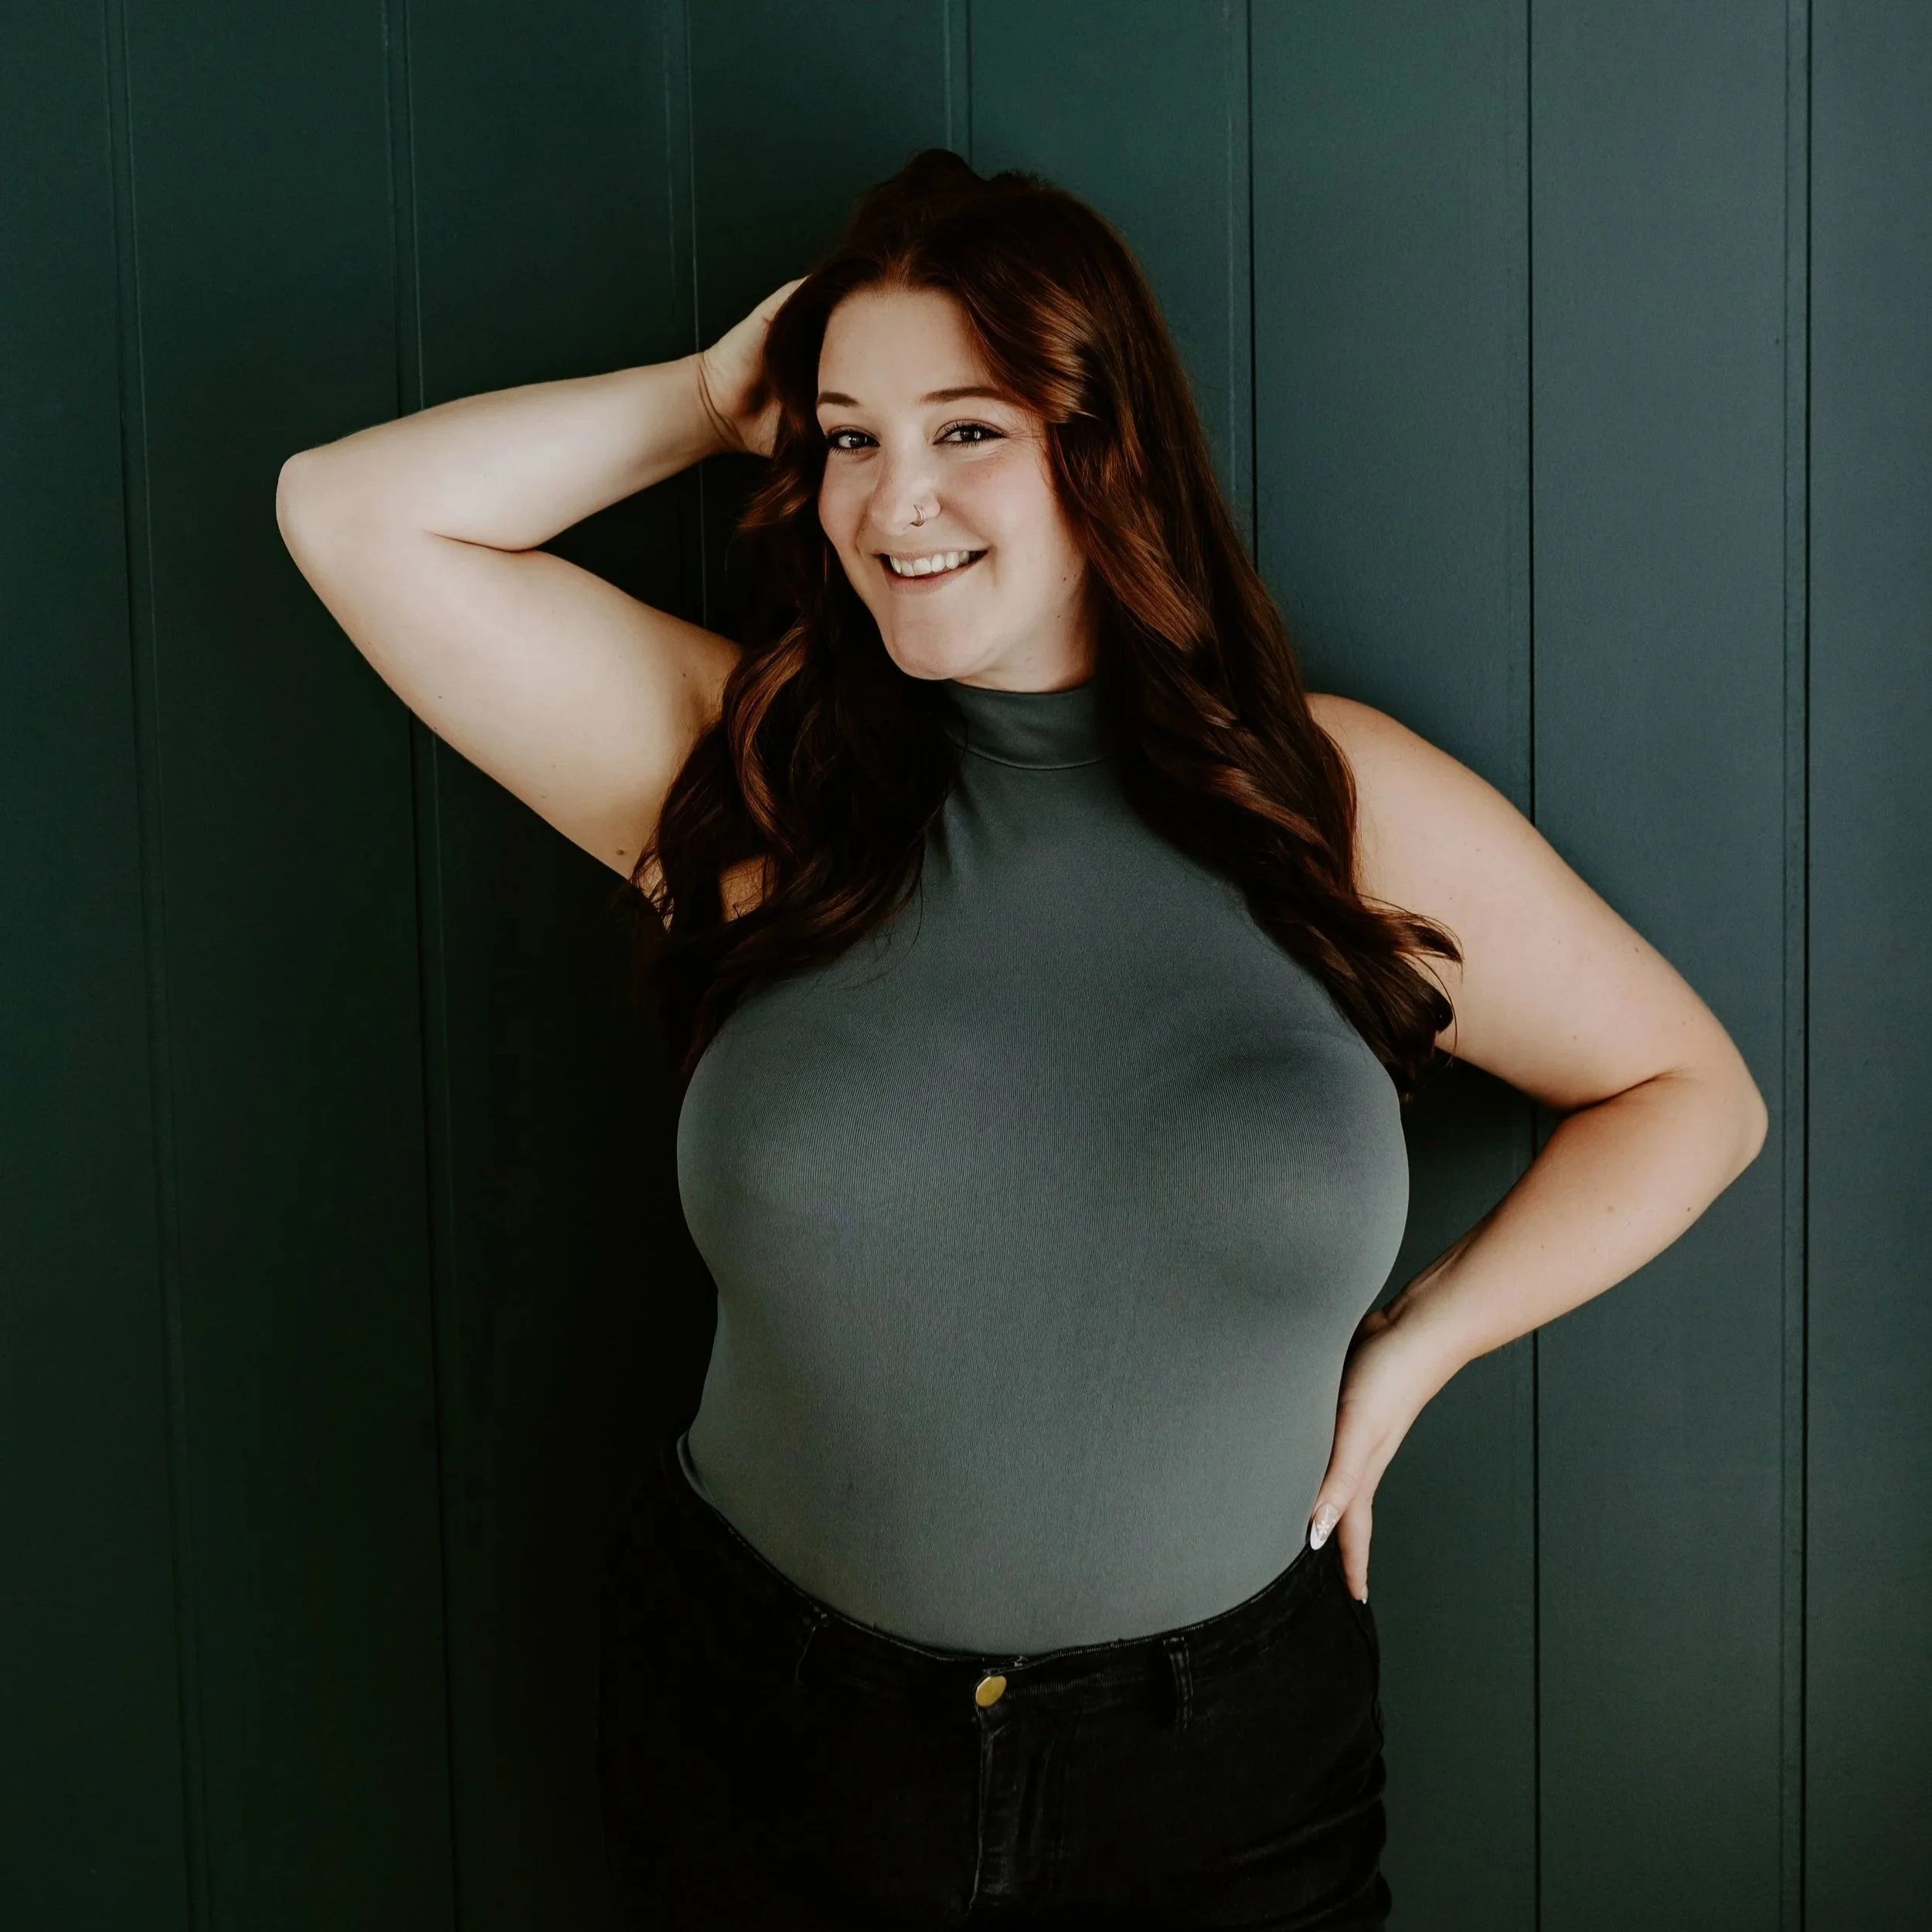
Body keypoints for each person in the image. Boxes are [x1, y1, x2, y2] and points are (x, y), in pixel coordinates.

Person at [275, 149, 1766, 1930]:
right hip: (771, 1743)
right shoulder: (751, 779)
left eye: (965, 428)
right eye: (845, 436)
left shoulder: (1328, 799)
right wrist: (701, 398)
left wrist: (1410, 1351)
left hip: (1220, 1776)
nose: (890, 498)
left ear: (1100, 440)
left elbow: (1686, 1094)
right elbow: (347, 514)